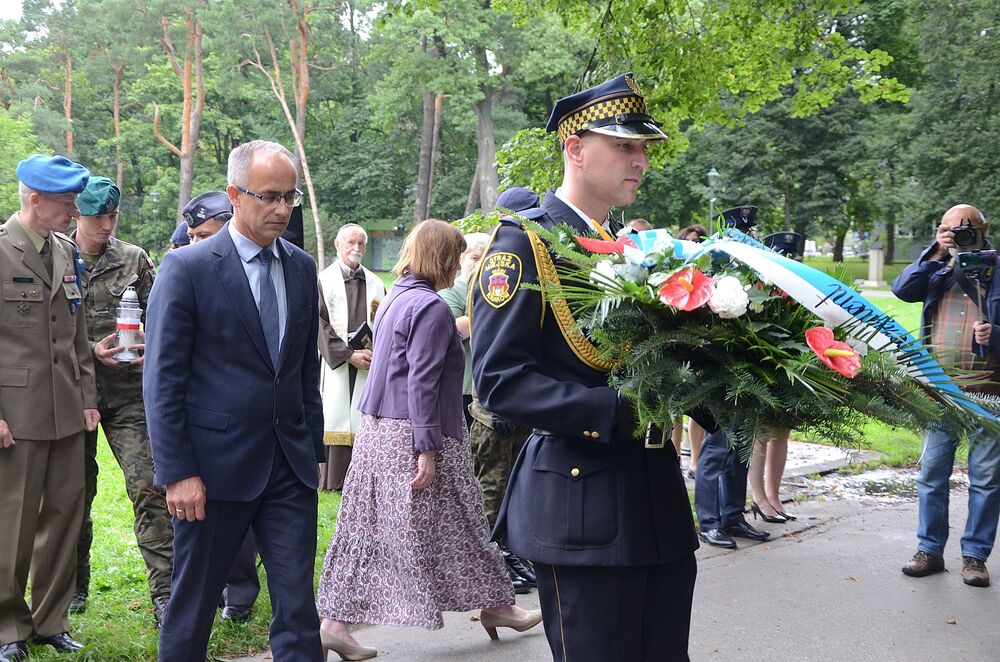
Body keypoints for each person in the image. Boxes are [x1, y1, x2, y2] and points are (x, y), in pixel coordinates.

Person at [471, 73, 699, 661]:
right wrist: (614, 411)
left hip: (654, 501)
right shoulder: (522, 246)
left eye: (644, 148)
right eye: (625, 145)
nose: (640, 159)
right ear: (575, 149)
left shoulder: (626, 249)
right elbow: (499, 379)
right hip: (581, 508)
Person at [316, 220, 541, 661]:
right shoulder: (432, 307)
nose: (459, 267)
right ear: (441, 258)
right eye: (456, 257)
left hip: (379, 429)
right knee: (462, 520)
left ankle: (335, 623)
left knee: (365, 526)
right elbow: (421, 379)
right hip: (418, 432)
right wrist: (426, 448)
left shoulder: (397, 295)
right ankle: (498, 604)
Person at [144, 140, 326, 660]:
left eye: (290, 198)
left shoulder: (299, 266)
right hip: (211, 472)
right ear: (234, 194)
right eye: (269, 196)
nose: (282, 209)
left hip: (288, 468)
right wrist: (177, 472)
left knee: (297, 607)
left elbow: (301, 369)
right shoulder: (189, 269)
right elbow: (162, 380)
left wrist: (310, 450)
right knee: (194, 604)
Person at [0, 154, 100, 661]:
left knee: (65, 516)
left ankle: (50, 620)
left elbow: (76, 333)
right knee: (13, 522)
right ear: (34, 199)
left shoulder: (64, 251)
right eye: (66, 203)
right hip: (16, 412)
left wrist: (87, 399)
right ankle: (8, 629)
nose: (74, 211)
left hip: (65, 408)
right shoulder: (0, 250)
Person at [69, 176, 174, 626]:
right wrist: (91, 350)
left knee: (150, 487)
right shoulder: (56, 255)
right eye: (98, 218)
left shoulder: (133, 259)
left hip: (129, 396)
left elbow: (163, 317)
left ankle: (166, 598)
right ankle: (71, 591)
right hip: (72, 394)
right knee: (71, 496)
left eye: (112, 216)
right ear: (77, 214)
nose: (107, 226)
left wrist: (151, 340)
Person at [892, 203, 1000, 588]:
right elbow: (902, 290)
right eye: (948, 228)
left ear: (983, 227)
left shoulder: (997, 269)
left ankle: (975, 557)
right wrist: (937, 252)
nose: (957, 234)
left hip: (990, 392)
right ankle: (930, 551)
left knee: (986, 478)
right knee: (932, 474)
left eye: (963, 228)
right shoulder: (937, 268)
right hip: (941, 390)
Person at [178, 189, 262, 623]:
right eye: (191, 235)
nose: (197, 243)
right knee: (196, 524)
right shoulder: (187, 265)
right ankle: (202, 599)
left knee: (240, 515)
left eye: (204, 234)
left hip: (242, 423)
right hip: (195, 420)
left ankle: (241, 592)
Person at [441, 222, 537, 593]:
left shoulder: (500, 292)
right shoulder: (457, 293)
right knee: (487, 489)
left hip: (509, 408)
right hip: (476, 403)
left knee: (513, 486)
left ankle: (510, 554)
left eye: (486, 256)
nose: (481, 263)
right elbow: (456, 329)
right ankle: (488, 565)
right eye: (474, 256)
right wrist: (501, 311)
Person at [694, 206, 772, 550]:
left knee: (740, 447)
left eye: (749, 233)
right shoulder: (710, 266)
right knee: (717, 450)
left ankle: (732, 516)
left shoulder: (760, 271)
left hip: (748, 371)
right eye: (742, 233)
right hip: (718, 372)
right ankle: (709, 521)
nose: (748, 238)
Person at [317, 223, 386, 491]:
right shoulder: (324, 280)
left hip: (368, 362)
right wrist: (346, 354)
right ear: (337, 244)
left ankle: (360, 480)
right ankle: (333, 479)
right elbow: (318, 323)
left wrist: (374, 351)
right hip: (337, 362)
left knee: (361, 414)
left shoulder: (377, 283)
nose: (356, 248)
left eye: (360, 244)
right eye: (350, 243)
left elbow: (384, 323)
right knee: (334, 413)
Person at [671, 224, 709, 478]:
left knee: (697, 409)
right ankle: (673, 459)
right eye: (690, 240)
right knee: (674, 409)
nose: (694, 244)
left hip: (699, 347)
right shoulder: (673, 271)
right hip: (676, 345)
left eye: (699, 241)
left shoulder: (709, 274)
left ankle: (696, 461)